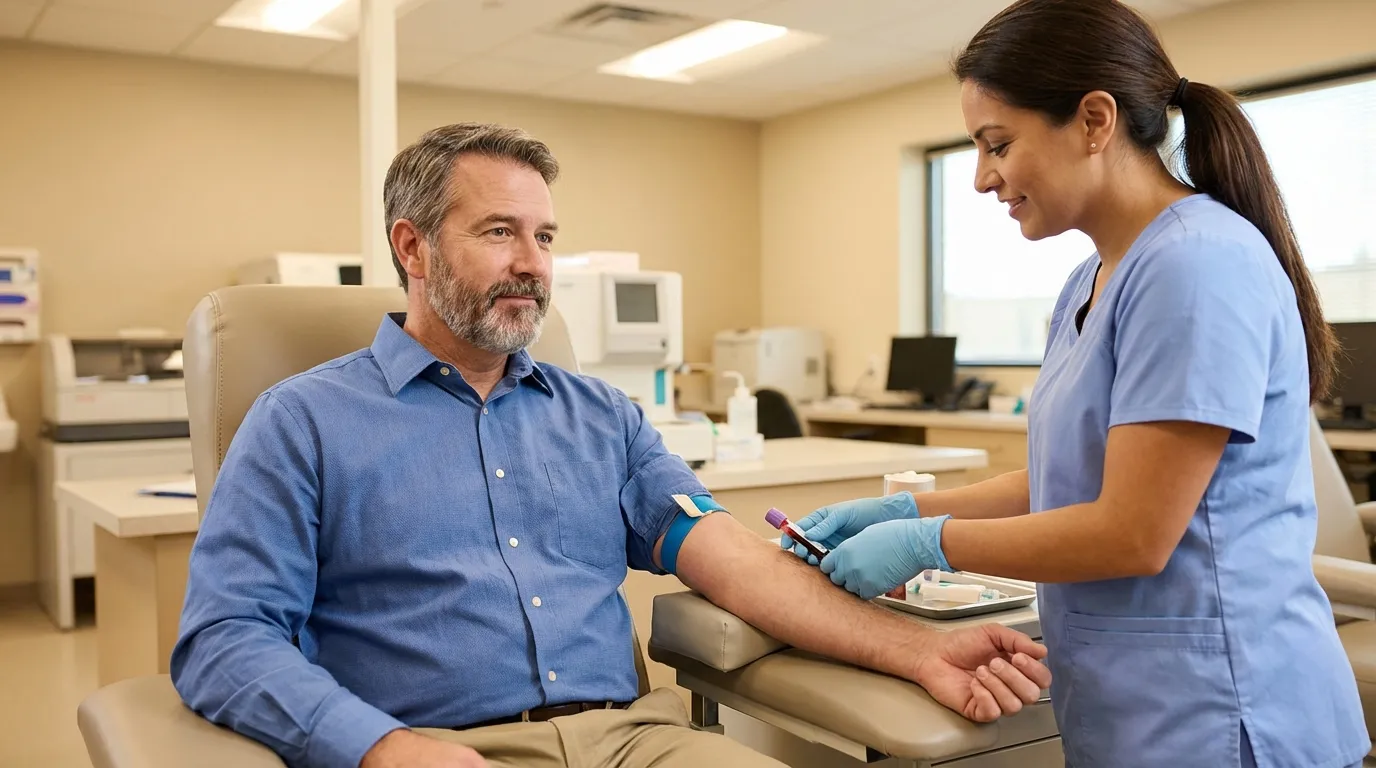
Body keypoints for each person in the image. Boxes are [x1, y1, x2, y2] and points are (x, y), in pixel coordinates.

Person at [172, 122, 1051, 768]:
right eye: (498, 232)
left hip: (636, 740)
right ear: (412, 246)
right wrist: (380, 749)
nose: (534, 263)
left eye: (545, 236)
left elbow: (735, 564)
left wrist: (922, 650)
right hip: (436, 746)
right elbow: (224, 638)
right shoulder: (302, 422)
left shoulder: (603, 417)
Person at [781, 1, 1370, 766]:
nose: (983, 178)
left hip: (1224, 705)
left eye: (998, 144)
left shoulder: (1196, 265)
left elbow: (1135, 530)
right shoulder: (1091, 279)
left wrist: (931, 543)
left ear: (1096, 120)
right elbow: (1068, 477)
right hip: (1132, 699)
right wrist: (898, 509)